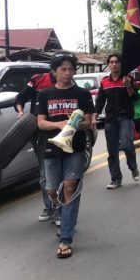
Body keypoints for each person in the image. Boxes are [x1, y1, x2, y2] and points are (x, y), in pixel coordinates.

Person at [35, 52, 94, 259]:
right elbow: (40, 123)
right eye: (63, 69)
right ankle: (64, 214)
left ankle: (65, 239)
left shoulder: (83, 94)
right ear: (54, 72)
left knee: (69, 188)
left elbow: (89, 122)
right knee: (53, 191)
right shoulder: (44, 95)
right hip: (51, 148)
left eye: (71, 69)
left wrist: (76, 124)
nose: (68, 73)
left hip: (75, 149)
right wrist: (59, 124)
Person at [14, 67, 59, 224]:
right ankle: (50, 207)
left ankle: (62, 207)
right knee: (44, 173)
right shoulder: (38, 79)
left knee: (61, 172)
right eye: (59, 68)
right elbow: (20, 98)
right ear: (53, 68)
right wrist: (20, 113)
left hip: (62, 132)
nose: (64, 72)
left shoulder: (67, 83)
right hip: (41, 132)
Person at [93, 53, 140, 189]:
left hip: (125, 117)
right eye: (111, 62)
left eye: (117, 62)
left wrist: (128, 86)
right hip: (110, 119)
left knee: (127, 145)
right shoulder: (104, 82)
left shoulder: (128, 79)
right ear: (108, 65)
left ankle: (133, 167)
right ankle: (116, 179)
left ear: (121, 64)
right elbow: (100, 101)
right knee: (112, 151)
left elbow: (135, 98)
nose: (114, 64)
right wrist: (94, 116)